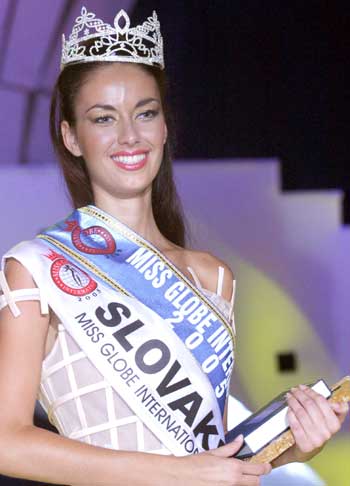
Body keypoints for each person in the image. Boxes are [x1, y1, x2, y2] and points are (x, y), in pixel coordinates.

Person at [0, 7, 347, 486]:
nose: (129, 136)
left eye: (145, 113)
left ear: (164, 127)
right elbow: (7, 441)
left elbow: (211, 450)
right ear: (71, 136)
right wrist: (175, 474)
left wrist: (293, 445)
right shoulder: (37, 266)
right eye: (103, 118)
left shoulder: (213, 275)